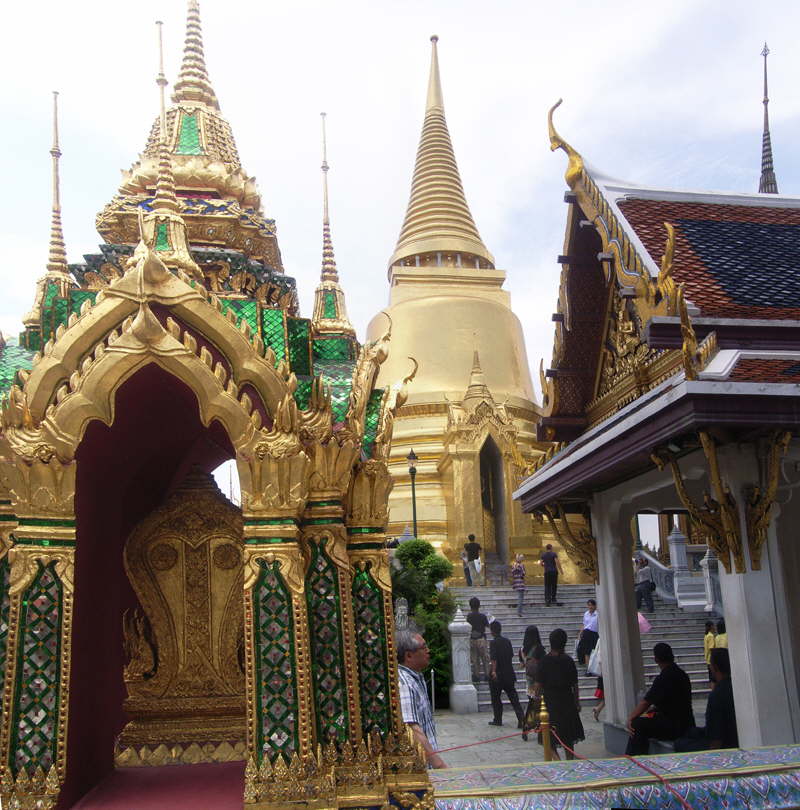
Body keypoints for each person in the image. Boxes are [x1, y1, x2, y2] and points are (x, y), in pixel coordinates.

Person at [625, 642, 694, 755]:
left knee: (637, 724)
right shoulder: (682, 674)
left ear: (656, 659)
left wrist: (630, 718)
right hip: (686, 722)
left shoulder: (664, 677)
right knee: (648, 717)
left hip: (674, 726)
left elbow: (645, 702)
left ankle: (636, 758)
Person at [396, 629, 446, 769]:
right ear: (409, 655)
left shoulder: (415, 677)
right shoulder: (404, 683)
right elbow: (412, 729)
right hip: (421, 768)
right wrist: (439, 764)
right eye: (423, 647)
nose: (428, 651)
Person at [534, 628, 585, 760]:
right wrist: (577, 703)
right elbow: (575, 685)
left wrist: (536, 699)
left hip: (551, 702)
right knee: (568, 737)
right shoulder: (568, 661)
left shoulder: (544, 661)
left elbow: (538, 685)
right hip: (567, 701)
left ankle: (557, 761)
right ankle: (569, 762)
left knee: (548, 737)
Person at [675, 648, 738, 752]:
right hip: (729, 735)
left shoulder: (717, 694)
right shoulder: (733, 686)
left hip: (724, 743)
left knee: (680, 744)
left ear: (715, 667)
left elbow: (715, 740)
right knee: (691, 732)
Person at [488, 620, 526, 728]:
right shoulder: (507, 641)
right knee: (514, 697)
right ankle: (521, 719)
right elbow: (510, 655)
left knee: (496, 698)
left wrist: (494, 671)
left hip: (498, 674)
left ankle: (498, 718)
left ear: (492, 631)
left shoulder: (493, 643)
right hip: (508, 672)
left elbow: (494, 659)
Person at [519, 625, 546, 739]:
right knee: (539, 705)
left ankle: (527, 725)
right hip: (538, 681)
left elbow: (522, 665)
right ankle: (536, 726)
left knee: (532, 704)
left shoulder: (522, 649)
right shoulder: (539, 648)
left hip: (529, 681)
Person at [466, 596, 490, 682]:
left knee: (475, 659)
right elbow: (488, 625)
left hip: (472, 639)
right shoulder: (482, 616)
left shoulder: (469, 616)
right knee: (485, 658)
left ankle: (476, 676)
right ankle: (487, 675)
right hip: (481, 639)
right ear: (479, 606)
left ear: (470, 606)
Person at [576, 599, 599, 667]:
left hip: (594, 634)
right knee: (586, 652)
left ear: (595, 606)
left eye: (591, 605)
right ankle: (588, 669)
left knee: (593, 652)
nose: (590, 607)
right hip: (586, 634)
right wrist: (580, 633)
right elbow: (584, 624)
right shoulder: (586, 614)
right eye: (589, 605)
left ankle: (594, 668)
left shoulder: (597, 614)